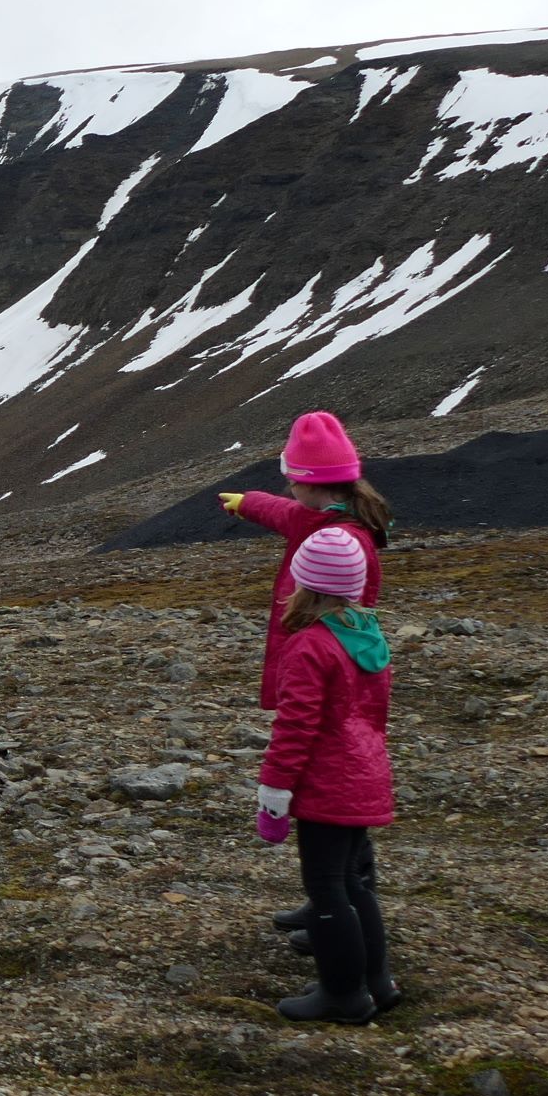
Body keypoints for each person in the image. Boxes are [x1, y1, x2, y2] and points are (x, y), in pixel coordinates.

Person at [219, 410, 394, 957]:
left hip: (332, 685)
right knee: (338, 809)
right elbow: (285, 513)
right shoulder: (331, 519)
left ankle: (336, 907)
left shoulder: (335, 541)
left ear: (308, 482)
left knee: (330, 809)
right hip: (349, 695)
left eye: (292, 478)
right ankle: (332, 898)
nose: (288, 489)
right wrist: (247, 503)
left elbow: (302, 720)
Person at [252, 526, 400, 1022]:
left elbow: (297, 726)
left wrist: (275, 788)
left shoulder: (310, 646)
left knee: (326, 887)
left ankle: (343, 993)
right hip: (364, 773)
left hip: (328, 785)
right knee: (355, 882)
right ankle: (378, 980)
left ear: (305, 585)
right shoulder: (367, 634)